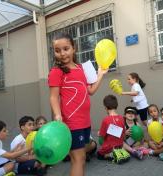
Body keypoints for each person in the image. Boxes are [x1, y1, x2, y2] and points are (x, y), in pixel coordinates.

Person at [48, 33, 108, 176]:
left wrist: (100, 75)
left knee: (80, 159)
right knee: (78, 158)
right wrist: (57, 115)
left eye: (66, 48)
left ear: (74, 48)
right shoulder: (56, 72)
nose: (62, 53)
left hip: (85, 122)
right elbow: (53, 97)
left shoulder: (82, 68)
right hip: (71, 123)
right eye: (57, 50)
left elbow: (91, 91)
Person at [97, 95, 130, 164]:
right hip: (120, 145)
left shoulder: (106, 120)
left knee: (99, 155)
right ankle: (122, 152)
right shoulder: (121, 118)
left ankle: (111, 155)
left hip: (110, 147)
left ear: (105, 107)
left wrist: (99, 133)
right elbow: (123, 134)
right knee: (116, 144)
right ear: (116, 106)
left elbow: (102, 136)